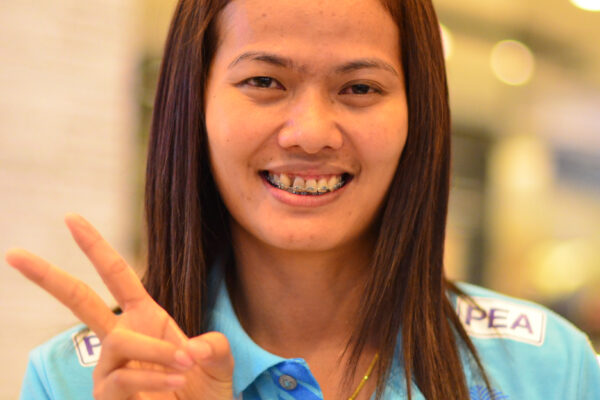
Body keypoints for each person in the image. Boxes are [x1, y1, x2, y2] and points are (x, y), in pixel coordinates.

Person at [6, 0, 600, 399]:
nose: (311, 133)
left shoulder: (548, 369)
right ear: (195, 105)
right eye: (264, 81)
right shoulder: (81, 381)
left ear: (418, 117)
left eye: (360, 87)